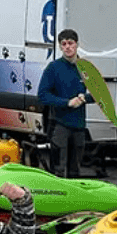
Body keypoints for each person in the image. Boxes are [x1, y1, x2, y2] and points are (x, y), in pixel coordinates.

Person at [37, 28, 93, 177]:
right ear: (60, 47)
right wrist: (67, 102)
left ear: (77, 44)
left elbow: (98, 95)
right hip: (60, 125)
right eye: (64, 44)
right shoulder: (53, 68)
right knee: (58, 170)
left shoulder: (85, 68)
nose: (68, 47)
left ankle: (74, 199)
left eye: (71, 43)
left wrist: (83, 98)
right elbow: (42, 95)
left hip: (79, 126)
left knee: (75, 170)